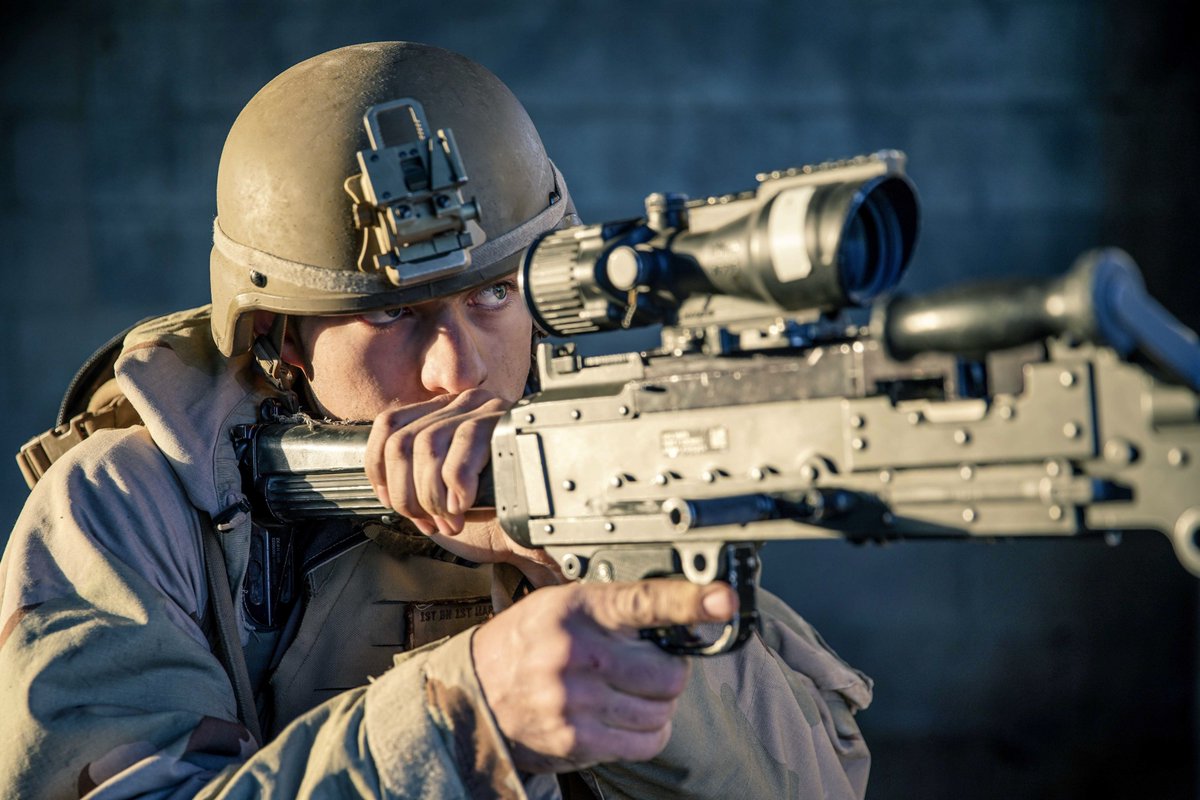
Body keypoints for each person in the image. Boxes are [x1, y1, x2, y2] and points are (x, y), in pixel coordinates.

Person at [0, 42, 873, 799]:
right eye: (391, 316)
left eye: (497, 294)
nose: (457, 369)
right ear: (279, 339)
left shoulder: (592, 467)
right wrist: (469, 721)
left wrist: (571, 564)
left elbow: (809, 785)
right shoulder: (131, 507)